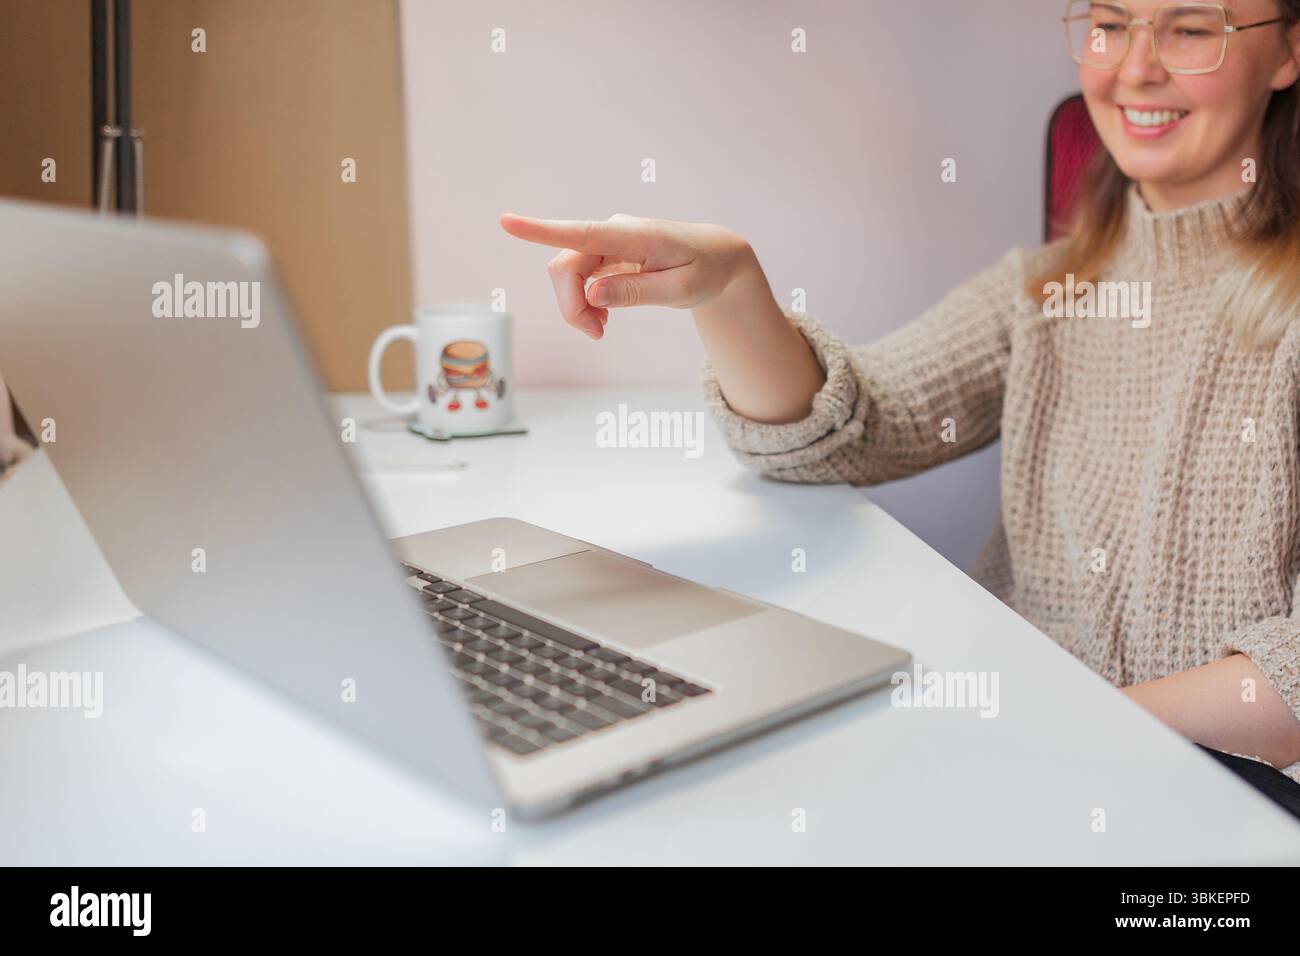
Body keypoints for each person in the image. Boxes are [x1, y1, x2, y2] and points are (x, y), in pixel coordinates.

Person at [501, 1, 1300, 812]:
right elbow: (845, 429)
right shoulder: (1047, 290)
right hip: (1025, 761)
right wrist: (729, 287)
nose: (1136, 68)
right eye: (1110, 24)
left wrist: (1045, 728)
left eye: (1192, 29)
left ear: (1288, 51)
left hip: (1215, 797)